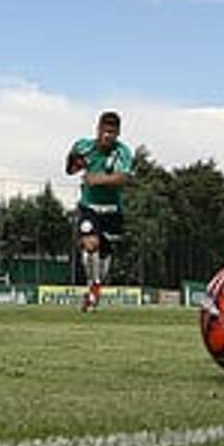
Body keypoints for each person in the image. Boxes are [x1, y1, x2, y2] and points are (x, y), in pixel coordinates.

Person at [65, 111, 133, 313]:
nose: (107, 136)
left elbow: (122, 178)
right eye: (104, 131)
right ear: (98, 129)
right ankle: (92, 285)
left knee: (104, 256)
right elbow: (70, 169)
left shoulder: (123, 152)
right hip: (89, 206)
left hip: (112, 210)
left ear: (118, 133)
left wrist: (97, 179)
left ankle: (97, 285)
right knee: (89, 245)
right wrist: (74, 163)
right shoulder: (83, 146)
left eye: (112, 132)